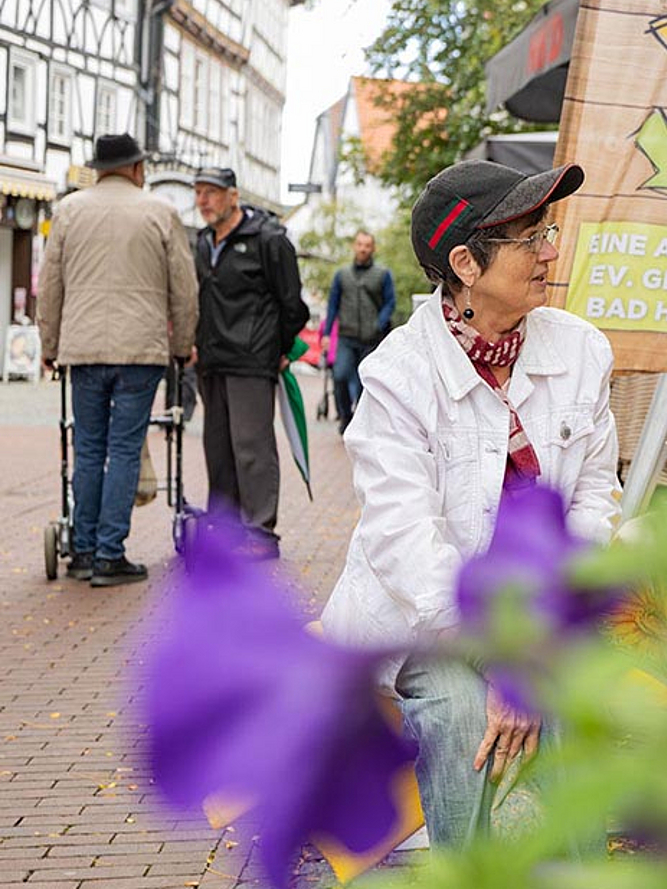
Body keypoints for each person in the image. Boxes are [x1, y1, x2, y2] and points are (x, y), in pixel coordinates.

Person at [320, 160, 621, 848]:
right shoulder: (396, 377)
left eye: (549, 232)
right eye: (531, 239)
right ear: (464, 263)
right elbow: (408, 548)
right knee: (458, 713)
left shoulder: (580, 352)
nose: (552, 251)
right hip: (430, 621)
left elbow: (595, 500)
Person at [36, 133, 198, 586]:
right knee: (125, 447)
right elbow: (184, 289)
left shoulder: (68, 211)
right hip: (139, 351)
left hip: (83, 348)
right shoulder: (160, 212)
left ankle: (82, 551)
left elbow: (49, 286)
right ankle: (111, 553)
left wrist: (49, 344)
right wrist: (183, 345)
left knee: (87, 447)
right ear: (135, 168)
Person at [192, 167, 309, 558]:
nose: (203, 200)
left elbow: (293, 305)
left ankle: (261, 534)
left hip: (251, 360)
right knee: (218, 450)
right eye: (199, 192)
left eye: (211, 192)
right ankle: (223, 530)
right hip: (212, 361)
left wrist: (276, 348)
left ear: (233, 196)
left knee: (251, 449)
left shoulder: (268, 240)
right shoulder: (202, 242)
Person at [323, 230, 396, 432]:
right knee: (340, 376)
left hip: (371, 338)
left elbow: (390, 303)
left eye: (367, 245)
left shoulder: (382, 274)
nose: (363, 249)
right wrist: (327, 334)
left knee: (367, 383)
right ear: (354, 246)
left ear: (372, 248)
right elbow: (332, 305)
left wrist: (379, 324)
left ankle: (362, 423)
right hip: (347, 336)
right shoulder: (342, 275)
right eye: (360, 244)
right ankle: (345, 416)